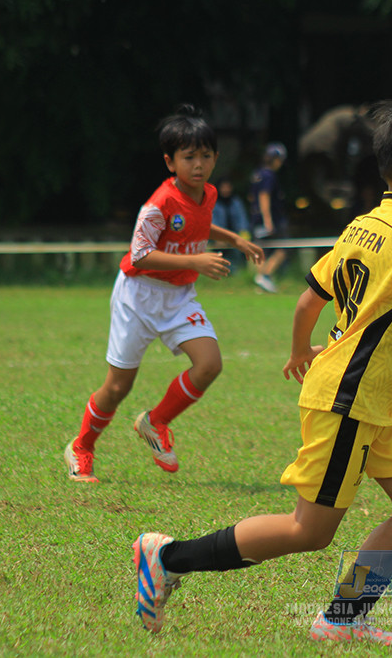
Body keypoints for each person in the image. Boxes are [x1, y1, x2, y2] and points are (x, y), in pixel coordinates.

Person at [132, 101, 392, 645]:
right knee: (308, 531)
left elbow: (307, 301)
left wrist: (300, 352)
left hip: (379, 395)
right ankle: (168, 557)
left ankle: (343, 619)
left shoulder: (363, 226)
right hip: (349, 396)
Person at [64, 104, 265, 483]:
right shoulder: (158, 204)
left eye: (206, 156)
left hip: (178, 297)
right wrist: (197, 261)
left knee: (209, 365)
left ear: (216, 158)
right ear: (170, 162)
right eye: (189, 157)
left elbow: (200, 224)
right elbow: (140, 254)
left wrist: (235, 239)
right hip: (137, 297)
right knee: (118, 386)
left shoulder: (206, 194)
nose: (199, 165)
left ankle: (155, 422)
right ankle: (82, 447)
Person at [249, 141, 289, 293]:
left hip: (255, 218)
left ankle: (262, 282)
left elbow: (252, 197)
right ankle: (265, 276)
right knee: (283, 248)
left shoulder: (257, 174)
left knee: (262, 250)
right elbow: (263, 196)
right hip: (270, 219)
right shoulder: (269, 176)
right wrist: (268, 220)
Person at [211, 176, 251, 272]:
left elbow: (242, 220)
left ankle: (239, 273)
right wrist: (219, 237)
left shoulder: (236, 202)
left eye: (228, 187)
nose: (226, 190)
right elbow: (212, 223)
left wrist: (243, 235)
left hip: (234, 236)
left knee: (240, 250)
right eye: (223, 187)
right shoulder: (213, 203)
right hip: (217, 238)